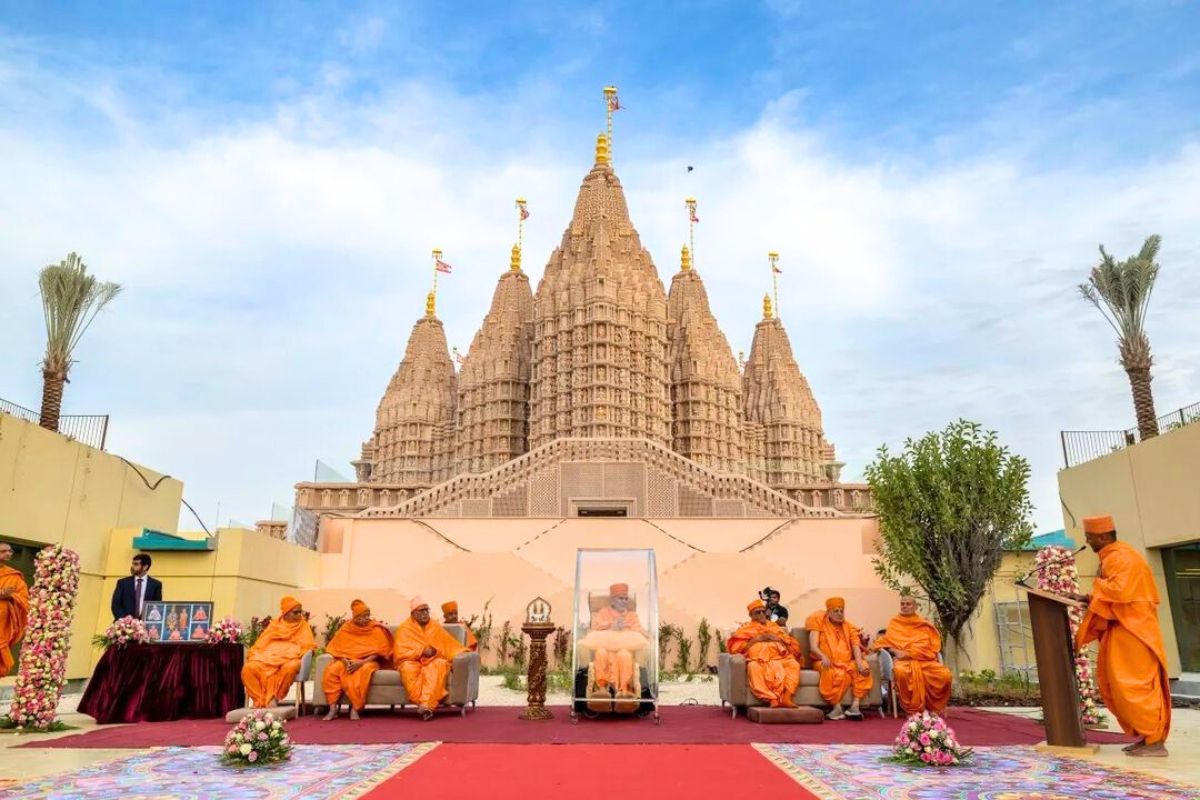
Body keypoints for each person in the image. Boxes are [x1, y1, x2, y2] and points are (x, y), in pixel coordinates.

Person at [1076, 514, 1171, 757]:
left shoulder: (1122, 557)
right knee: (1117, 685)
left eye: (1090, 537)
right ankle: (1146, 737)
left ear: (1104, 536)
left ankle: (1156, 742)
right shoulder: (1113, 557)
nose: (1087, 542)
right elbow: (1116, 595)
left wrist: (1096, 589)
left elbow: (1120, 592)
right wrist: (1089, 599)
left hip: (1135, 631)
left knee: (1134, 686)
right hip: (1122, 629)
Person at [871, 594, 952, 715]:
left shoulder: (923, 624)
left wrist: (913, 653)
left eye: (908, 604)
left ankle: (933, 708)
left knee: (945, 675)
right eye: (902, 604)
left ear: (915, 607)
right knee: (901, 672)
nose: (905, 606)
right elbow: (887, 641)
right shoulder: (895, 623)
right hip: (904, 662)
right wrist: (894, 651)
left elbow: (931, 646)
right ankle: (912, 709)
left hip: (925, 660)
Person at [577, 582, 649, 713]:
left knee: (624, 655)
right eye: (620, 598)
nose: (624, 601)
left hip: (624, 648)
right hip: (606, 647)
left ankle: (624, 691)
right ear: (612, 600)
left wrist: (627, 626)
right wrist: (611, 625)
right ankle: (602, 690)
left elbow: (640, 630)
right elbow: (595, 628)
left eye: (626, 599)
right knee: (601, 652)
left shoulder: (632, 615)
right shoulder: (603, 612)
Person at [393, 596, 467, 720]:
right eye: (421, 611)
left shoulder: (435, 626)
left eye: (427, 610)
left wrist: (434, 651)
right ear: (413, 613)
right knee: (407, 669)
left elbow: (446, 646)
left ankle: (425, 705)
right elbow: (400, 652)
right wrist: (421, 651)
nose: (425, 613)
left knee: (440, 665)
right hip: (412, 661)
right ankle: (425, 704)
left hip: (433, 660)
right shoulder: (404, 629)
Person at [322, 599, 393, 721]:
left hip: (368, 661)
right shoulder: (346, 628)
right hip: (347, 660)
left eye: (368, 615)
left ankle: (355, 708)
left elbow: (380, 651)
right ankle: (332, 708)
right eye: (363, 616)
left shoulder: (375, 628)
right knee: (332, 670)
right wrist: (345, 661)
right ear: (356, 617)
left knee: (364, 671)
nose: (366, 619)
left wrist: (361, 663)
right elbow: (337, 648)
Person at [241, 596, 316, 708]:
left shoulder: (303, 626)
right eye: (296, 612)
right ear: (286, 613)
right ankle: (260, 700)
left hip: (291, 658)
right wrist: (265, 655)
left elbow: (308, 646)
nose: (299, 615)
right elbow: (261, 644)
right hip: (268, 657)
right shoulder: (274, 625)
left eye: (300, 612)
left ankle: (273, 698)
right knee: (248, 669)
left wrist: (288, 653)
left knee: (289, 667)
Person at [806, 596, 872, 720]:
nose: (839, 614)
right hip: (823, 661)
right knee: (830, 671)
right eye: (836, 611)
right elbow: (813, 647)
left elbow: (855, 646)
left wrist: (859, 663)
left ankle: (855, 707)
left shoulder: (849, 626)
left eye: (842, 611)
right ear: (829, 612)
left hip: (845, 662)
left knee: (864, 668)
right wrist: (823, 656)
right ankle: (837, 708)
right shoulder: (818, 623)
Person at [726, 599, 801, 708]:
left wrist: (776, 638)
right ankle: (772, 699)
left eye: (763, 611)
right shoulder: (746, 629)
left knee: (794, 665)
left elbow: (790, 643)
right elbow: (736, 648)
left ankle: (786, 698)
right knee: (753, 668)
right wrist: (757, 639)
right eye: (758, 612)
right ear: (751, 615)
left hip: (779, 658)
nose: (762, 614)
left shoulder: (773, 627)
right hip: (758, 660)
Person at [0, 542, 30, 678]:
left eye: (10, 551)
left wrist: (12, 596)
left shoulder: (14, 576)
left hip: (3, 624)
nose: (8, 554)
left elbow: (25, 599)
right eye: (3, 551)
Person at [110, 553, 162, 620]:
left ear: (145, 567)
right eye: (133, 564)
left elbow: (156, 606)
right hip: (124, 625)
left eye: (136, 564)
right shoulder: (123, 583)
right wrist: (125, 621)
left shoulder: (155, 584)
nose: (132, 567)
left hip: (144, 626)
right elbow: (115, 605)